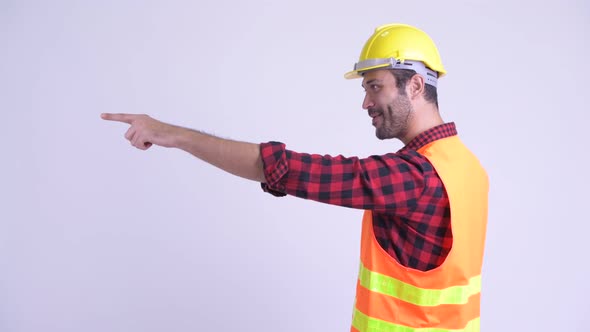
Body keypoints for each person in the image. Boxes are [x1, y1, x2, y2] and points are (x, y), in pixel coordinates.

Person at [102, 23, 489, 332]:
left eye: (375, 86)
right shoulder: (466, 166)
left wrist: (174, 135)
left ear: (416, 85)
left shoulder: (414, 178)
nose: (366, 102)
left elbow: (291, 169)